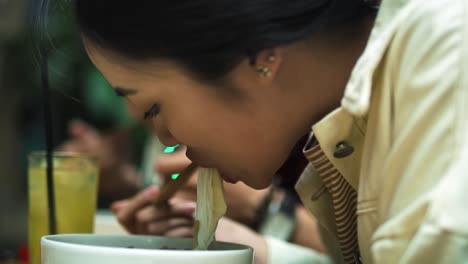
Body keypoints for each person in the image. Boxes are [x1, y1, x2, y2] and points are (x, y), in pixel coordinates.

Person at [68, 0, 468, 263]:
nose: (166, 139)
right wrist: (253, 253)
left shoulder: (444, 52)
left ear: (261, 53)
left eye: (155, 107)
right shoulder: (338, 131)